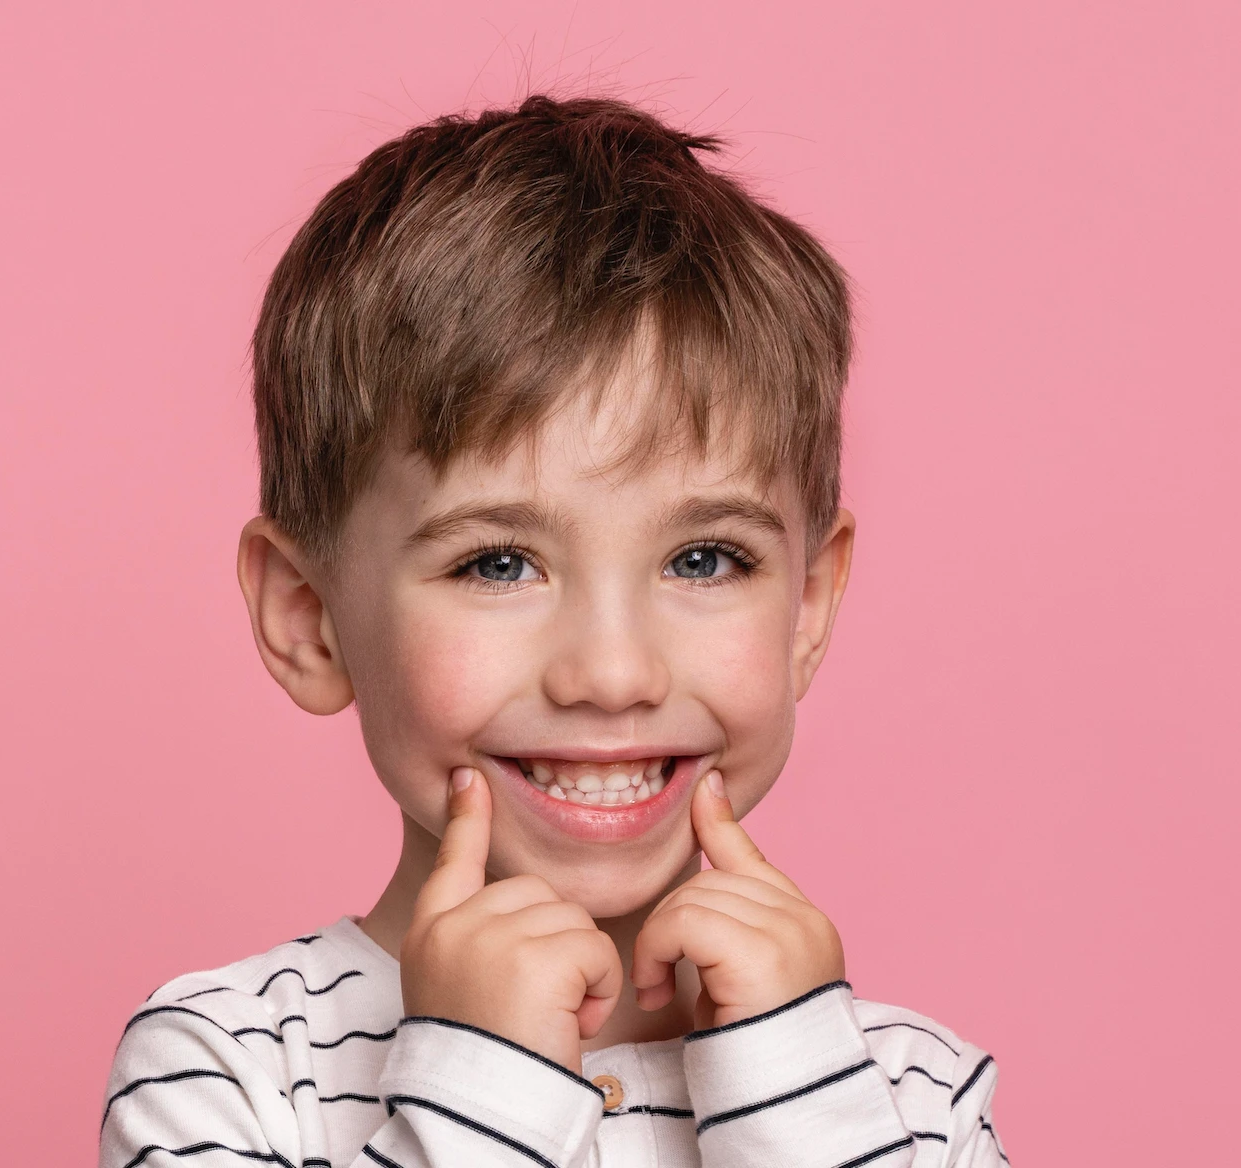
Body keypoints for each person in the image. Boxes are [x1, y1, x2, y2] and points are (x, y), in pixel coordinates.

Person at [99, 94, 1010, 1168]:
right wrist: (487, 1082)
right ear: (311, 619)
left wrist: (793, 1088)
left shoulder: (911, 1097)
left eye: (704, 559)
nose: (613, 673)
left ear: (807, 606)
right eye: (498, 563)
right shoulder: (233, 1068)